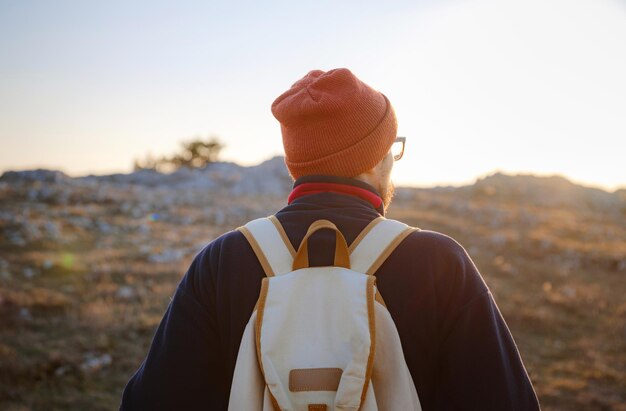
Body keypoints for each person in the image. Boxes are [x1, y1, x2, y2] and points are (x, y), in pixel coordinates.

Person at [120, 68, 540, 410]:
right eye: (392, 146)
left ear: (296, 164)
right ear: (376, 157)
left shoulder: (221, 262)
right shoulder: (439, 263)